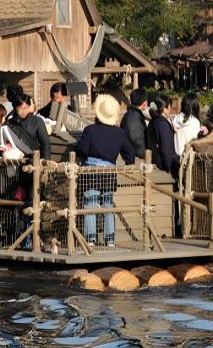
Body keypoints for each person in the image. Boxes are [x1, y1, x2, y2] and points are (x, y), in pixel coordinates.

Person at [76, 95, 135, 247]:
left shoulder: (89, 130)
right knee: (108, 204)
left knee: (90, 203)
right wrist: (129, 164)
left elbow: (82, 150)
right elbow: (130, 153)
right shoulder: (120, 133)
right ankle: (110, 239)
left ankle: (90, 239)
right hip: (109, 172)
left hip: (91, 172)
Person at [4, 85, 51, 160]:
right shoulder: (9, 123)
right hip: (16, 161)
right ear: (15, 108)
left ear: (29, 107)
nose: (23, 111)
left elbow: (45, 143)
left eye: (25, 108)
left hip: (34, 160)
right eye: (20, 108)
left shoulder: (37, 120)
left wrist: (46, 161)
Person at [145, 97, 178, 175]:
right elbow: (166, 148)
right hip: (162, 166)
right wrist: (169, 167)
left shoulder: (152, 122)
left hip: (153, 162)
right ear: (163, 109)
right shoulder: (163, 124)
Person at [120, 88, 149, 160]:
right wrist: (144, 154)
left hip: (131, 155)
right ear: (144, 102)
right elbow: (136, 139)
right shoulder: (134, 117)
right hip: (135, 158)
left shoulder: (133, 114)